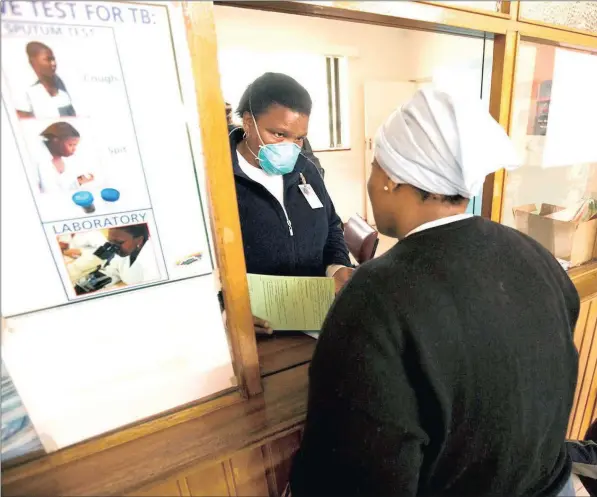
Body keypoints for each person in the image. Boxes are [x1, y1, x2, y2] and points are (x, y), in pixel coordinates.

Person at [290, 88, 580, 496]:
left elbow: (355, 473)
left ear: (390, 179)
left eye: (375, 166)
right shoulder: (534, 255)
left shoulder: (377, 295)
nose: (371, 181)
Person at [230, 73, 351, 333]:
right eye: (278, 134)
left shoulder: (305, 169)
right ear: (249, 122)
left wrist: (337, 267)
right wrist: (228, 308)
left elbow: (330, 224)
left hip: (316, 320)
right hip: (262, 329)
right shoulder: (221, 181)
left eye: (299, 138)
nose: (290, 147)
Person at [16, 42, 76, 119]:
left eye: (53, 59)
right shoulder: (25, 89)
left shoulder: (60, 82)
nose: (53, 63)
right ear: (32, 62)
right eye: (48, 59)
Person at [37, 122, 95, 193]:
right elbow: (50, 192)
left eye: (75, 145)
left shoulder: (67, 159)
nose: (74, 149)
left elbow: (64, 188)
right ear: (55, 140)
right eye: (70, 145)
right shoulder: (40, 159)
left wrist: (79, 181)